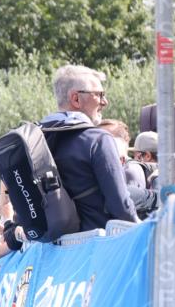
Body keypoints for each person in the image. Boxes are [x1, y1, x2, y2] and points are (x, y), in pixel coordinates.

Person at [39, 65, 137, 231]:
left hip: (53, 250)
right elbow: (121, 207)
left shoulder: (40, 141)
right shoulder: (98, 140)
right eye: (99, 95)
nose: (105, 102)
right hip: (97, 247)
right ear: (76, 99)